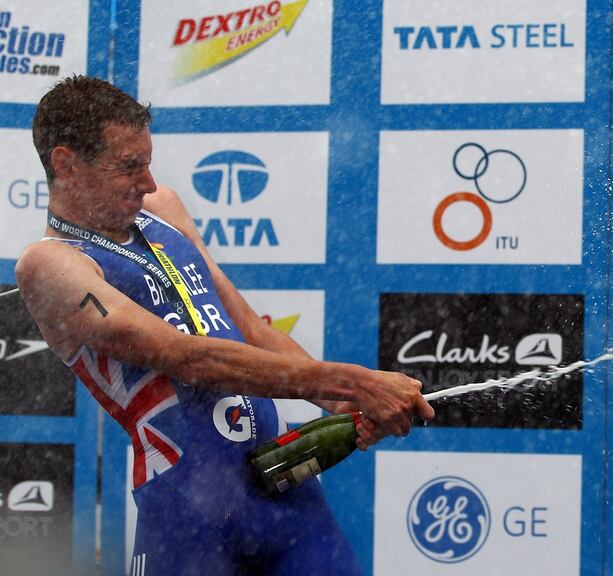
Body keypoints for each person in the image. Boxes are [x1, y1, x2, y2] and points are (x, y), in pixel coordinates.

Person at [15, 75, 435, 575]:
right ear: (66, 165)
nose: (148, 181)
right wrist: (358, 382)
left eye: (148, 161)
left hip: (285, 485)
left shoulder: (162, 208)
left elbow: (248, 328)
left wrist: (338, 402)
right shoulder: (50, 265)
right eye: (130, 166)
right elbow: (190, 356)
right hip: (187, 506)